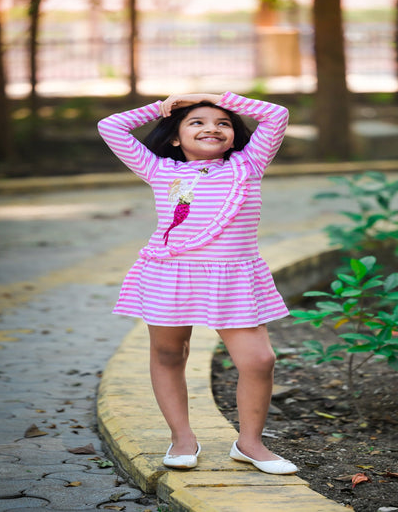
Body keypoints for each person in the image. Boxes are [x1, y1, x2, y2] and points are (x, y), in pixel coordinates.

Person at [97, 92, 298, 475]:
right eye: (198, 122)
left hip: (233, 277)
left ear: (235, 136)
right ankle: (182, 437)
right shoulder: (159, 169)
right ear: (176, 137)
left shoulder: (249, 164)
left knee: (259, 359)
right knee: (170, 355)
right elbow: (111, 125)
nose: (212, 128)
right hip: (170, 275)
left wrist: (216, 97)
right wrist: (163, 107)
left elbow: (276, 115)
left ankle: (249, 443)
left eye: (223, 123)